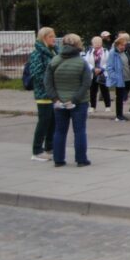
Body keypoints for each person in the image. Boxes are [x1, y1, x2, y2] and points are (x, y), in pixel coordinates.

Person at [44, 33, 93, 167]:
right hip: (79, 102)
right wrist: (75, 99)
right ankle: (81, 160)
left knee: (59, 131)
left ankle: (58, 160)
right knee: (80, 131)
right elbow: (86, 83)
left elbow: (47, 83)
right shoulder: (82, 62)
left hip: (59, 102)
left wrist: (55, 99)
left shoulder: (54, 60)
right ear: (78, 45)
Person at [27, 27, 58, 161]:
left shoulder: (54, 51)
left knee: (53, 121)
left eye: (54, 36)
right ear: (44, 38)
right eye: (51, 36)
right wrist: (51, 79)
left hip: (54, 93)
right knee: (44, 121)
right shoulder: (37, 54)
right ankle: (37, 150)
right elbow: (36, 74)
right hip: (43, 93)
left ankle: (49, 147)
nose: (54, 39)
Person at [105, 35, 130, 122]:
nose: (123, 47)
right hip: (120, 79)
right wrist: (116, 77)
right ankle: (119, 115)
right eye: (121, 45)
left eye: (124, 45)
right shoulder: (113, 53)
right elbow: (109, 67)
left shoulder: (126, 52)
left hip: (129, 77)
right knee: (120, 97)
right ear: (117, 45)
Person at [85, 35, 111, 112]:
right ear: (92, 43)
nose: (97, 44)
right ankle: (92, 107)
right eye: (95, 42)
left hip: (103, 73)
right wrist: (93, 69)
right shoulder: (89, 52)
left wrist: (102, 69)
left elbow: (108, 62)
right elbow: (86, 62)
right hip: (93, 73)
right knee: (93, 91)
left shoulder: (106, 51)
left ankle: (107, 106)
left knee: (105, 90)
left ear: (101, 43)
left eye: (99, 42)